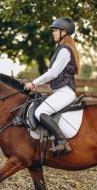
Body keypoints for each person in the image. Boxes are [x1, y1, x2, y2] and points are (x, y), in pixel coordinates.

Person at [24, 17, 80, 155]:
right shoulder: (62, 48)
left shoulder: (65, 50)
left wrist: (33, 83)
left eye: (55, 30)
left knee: (40, 112)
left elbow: (53, 73)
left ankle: (62, 142)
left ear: (63, 32)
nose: (53, 33)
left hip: (65, 92)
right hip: (59, 92)